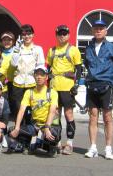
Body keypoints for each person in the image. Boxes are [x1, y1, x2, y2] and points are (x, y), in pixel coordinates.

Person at [84, 19, 113, 160]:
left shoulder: (112, 48)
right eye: (96, 28)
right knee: (92, 117)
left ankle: (108, 149)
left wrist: (110, 78)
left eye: (101, 28)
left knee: (107, 118)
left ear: (106, 31)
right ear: (92, 31)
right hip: (92, 85)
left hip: (106, 85)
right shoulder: (88, 48)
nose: (98, 30)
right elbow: (86, 65)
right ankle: (93, 147)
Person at [8, 66, 60, 156]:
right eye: (37, 74)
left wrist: (47, 127)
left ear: (46, 77)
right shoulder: (29, 92)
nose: (39, 77)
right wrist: (17, 127)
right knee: (11, 131)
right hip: (35, 125)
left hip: (48, 125)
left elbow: (52, 112)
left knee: (53, 135)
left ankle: (52, 146)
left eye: (42, 75)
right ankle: (29, 145)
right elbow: (21, 111)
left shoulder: (52, 93)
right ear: (34, 76)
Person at [47, 24, 82, 155]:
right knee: (55, 116)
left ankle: (69, 144)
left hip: (67, 88)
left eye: (65, 33)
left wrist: (76, 85)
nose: (62, 36)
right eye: (60, 34)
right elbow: (47, 68)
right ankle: (57, 142)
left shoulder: (73, 50)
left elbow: (79, 69)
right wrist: (47, 86)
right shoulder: (52, 50)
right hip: (54, 87)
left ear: (69, 35)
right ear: (56, 35)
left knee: (68, 115)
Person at [10, 24, 45, 118]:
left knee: (30, 110)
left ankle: (30, 130)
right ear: (21, 36)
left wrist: (40, 82)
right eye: (24, 34)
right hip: (18, 83)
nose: (27, 36)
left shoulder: (38, 49)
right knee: (19, 110)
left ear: (33, 35)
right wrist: (17, 49)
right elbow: (13, 64)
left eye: (29, 33)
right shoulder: (16, 48)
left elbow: (41, 66)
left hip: (32, 83)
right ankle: (19, 129)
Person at [0, 31, 16, 115]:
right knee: (4, 101)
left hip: (15, 82)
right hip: (3, 82)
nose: (7, 42)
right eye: (4, 40)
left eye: (9, 40)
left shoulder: (16, 52)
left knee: (14, 101)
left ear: (13, 41)